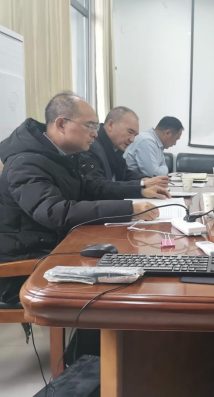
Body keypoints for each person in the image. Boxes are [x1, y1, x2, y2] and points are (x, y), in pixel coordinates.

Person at [0, 92, 170, 306]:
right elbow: (55, 212)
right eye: (90, 126)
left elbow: (92, 188)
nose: (95, 134)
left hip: (58, 247)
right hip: (27, 265)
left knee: (133, 260)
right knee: (117, 291)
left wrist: (138, 194)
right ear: (61, 124)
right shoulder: (25, 163)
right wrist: (130, 209)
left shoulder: (63, 156)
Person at [80, 106, 169, 188]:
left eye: (135, 135)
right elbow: (100, 186)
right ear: (111, 125)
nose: (132, 140)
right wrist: (141, 186)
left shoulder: (116, 148)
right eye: (130, 132)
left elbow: (124, 173)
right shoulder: (91, 147)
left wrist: (144, 180)